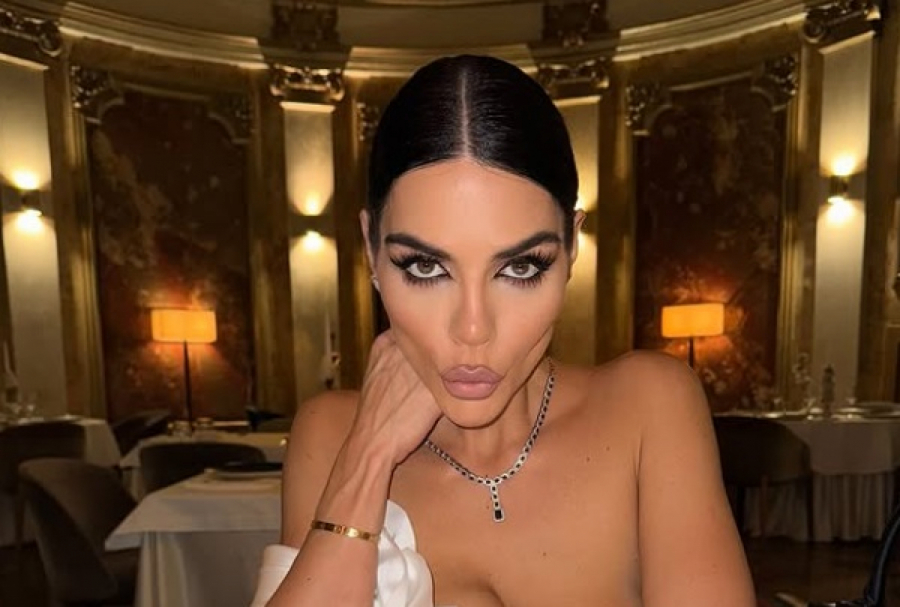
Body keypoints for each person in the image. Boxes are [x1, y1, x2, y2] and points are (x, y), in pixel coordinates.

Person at [251, 54, 755, 607]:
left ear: (572, 247)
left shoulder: (648, 408)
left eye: (520, 267)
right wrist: (368, 456)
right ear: (372, 250)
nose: (473, 330)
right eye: (425, 267)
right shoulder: (330, 435)